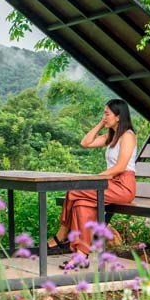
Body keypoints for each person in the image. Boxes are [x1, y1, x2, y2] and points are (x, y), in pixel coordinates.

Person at [48, 99, 137, 268]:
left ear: (118, 117)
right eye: (104, 113)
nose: (104, 116)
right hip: (111, 183)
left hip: (123, 186)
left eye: (107, 114)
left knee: (74, 190)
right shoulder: (112, 136)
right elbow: (85, 143)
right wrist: (101, 124)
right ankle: (81, 255)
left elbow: (120, 167)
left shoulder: (127, 136)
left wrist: (95, 179)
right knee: (80, 204)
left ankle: (62, 233)